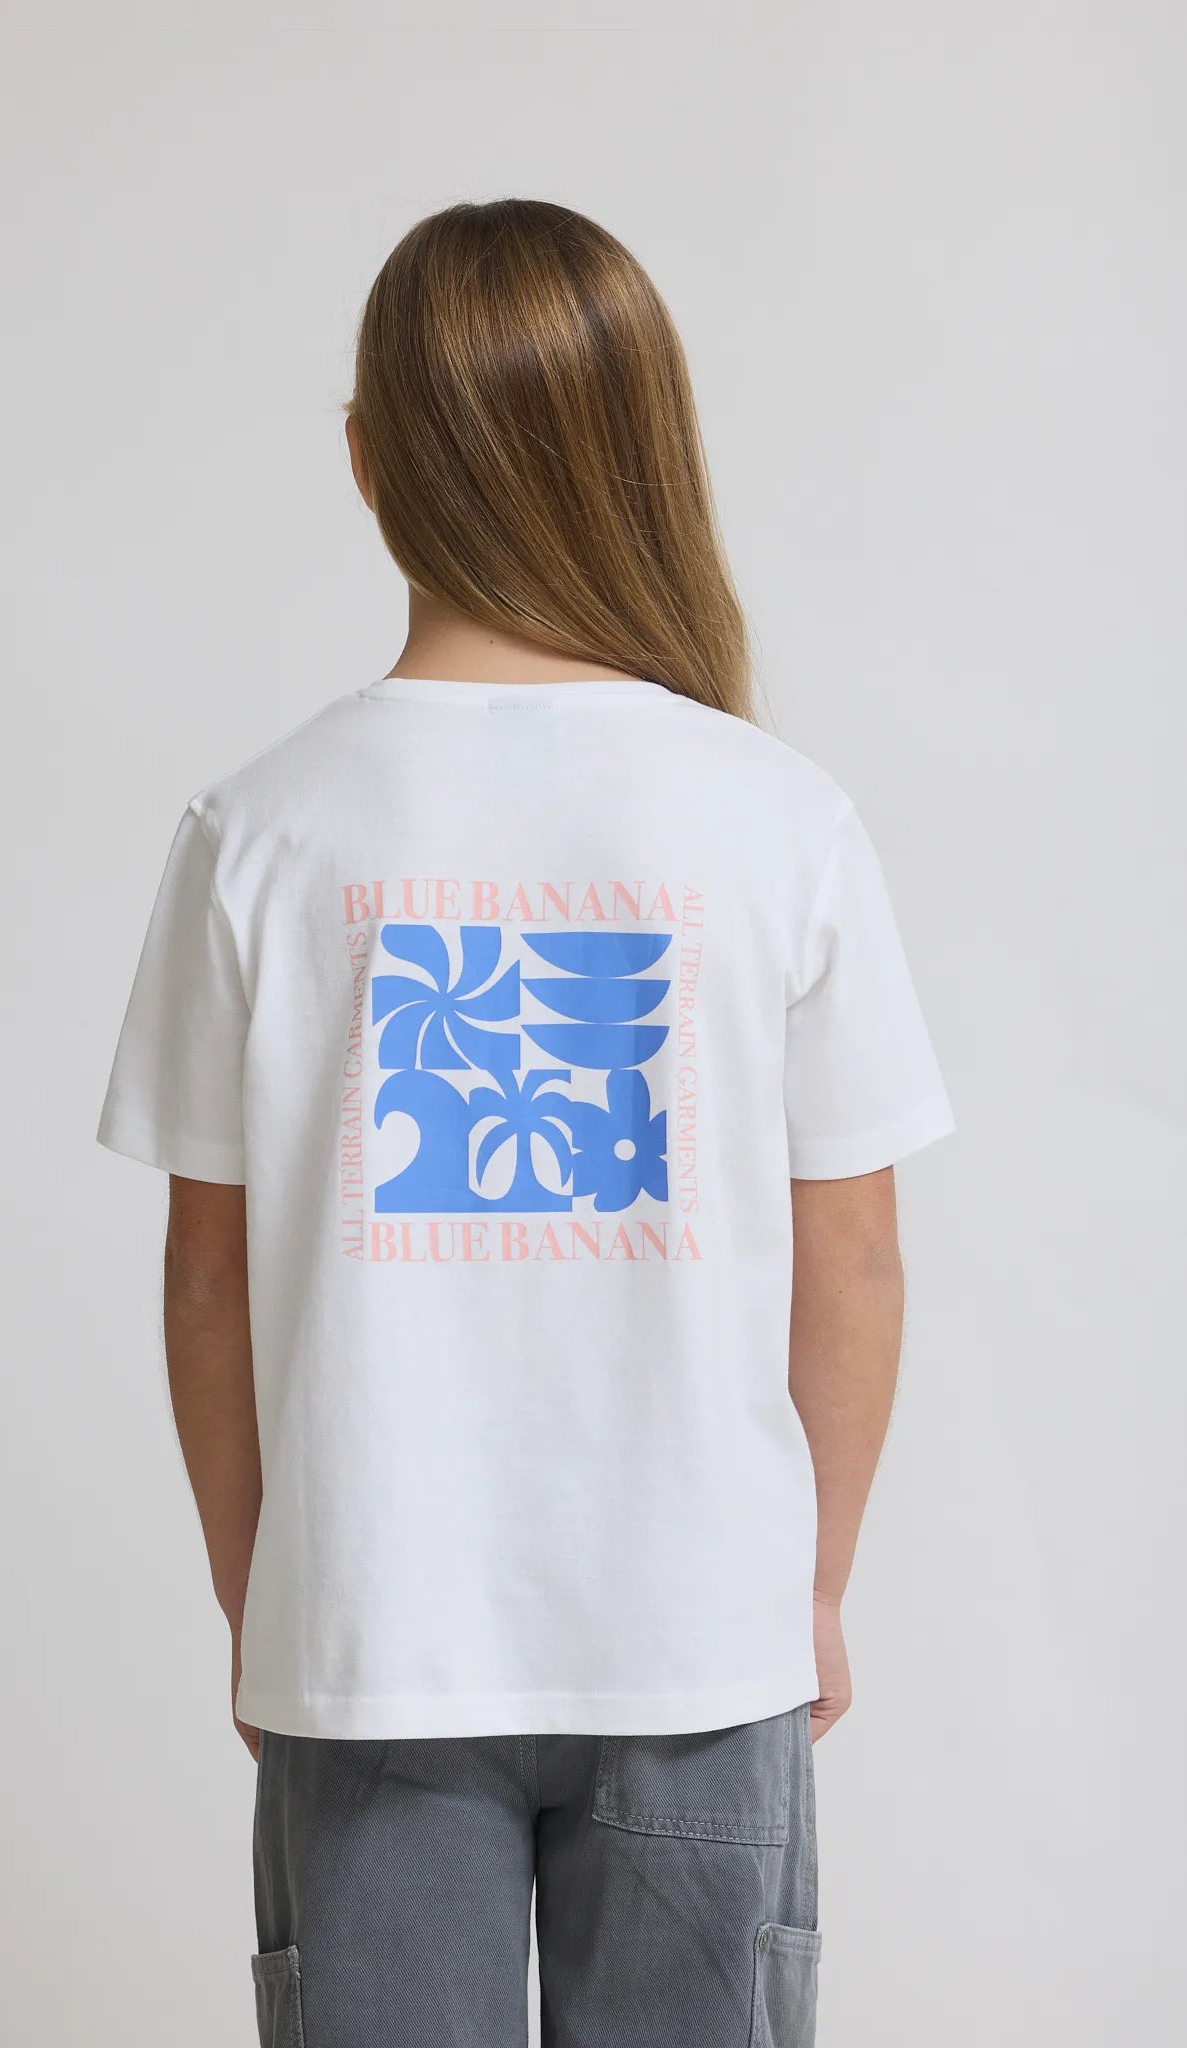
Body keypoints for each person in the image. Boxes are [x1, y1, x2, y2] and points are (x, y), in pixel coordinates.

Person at [96, 198, 953, 2048]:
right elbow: (858, 1255)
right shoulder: (777, 817)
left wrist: (264, 1598)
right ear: (643, 449)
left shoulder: (259, 828)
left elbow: (203, 1281)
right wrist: (808, 1591)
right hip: (698, 1635)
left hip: (373, 1636)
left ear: (366, 462)